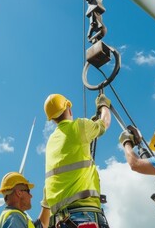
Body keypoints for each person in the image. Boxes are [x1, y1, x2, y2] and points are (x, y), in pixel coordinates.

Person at [43, 93, 111, 228]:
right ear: (69, 109)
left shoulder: (51, 142)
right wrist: (104, 105)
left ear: (52, 119)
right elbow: (104, 123)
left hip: (58, 221)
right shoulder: (80, 126)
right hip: (84, 216)